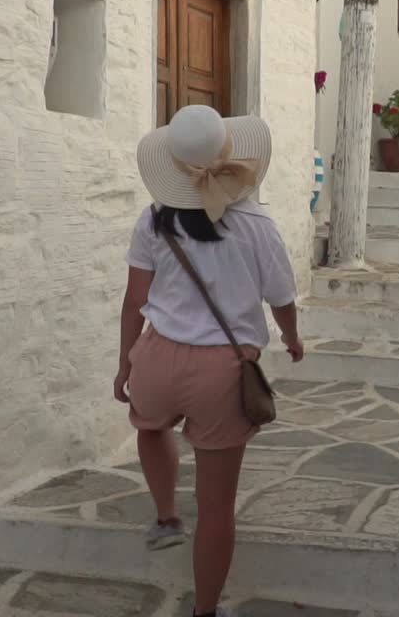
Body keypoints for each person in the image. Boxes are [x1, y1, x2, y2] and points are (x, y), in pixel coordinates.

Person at [114, 105, 304, 617]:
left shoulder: (153, 219)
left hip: (156, 356)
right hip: (222, 370)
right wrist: (291, 337)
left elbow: (135, 299)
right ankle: (204, 610)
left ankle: (165, 518)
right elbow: (281, 298)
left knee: (150, 425)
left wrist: (125, 364)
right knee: (217, 508)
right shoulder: (258, 224)